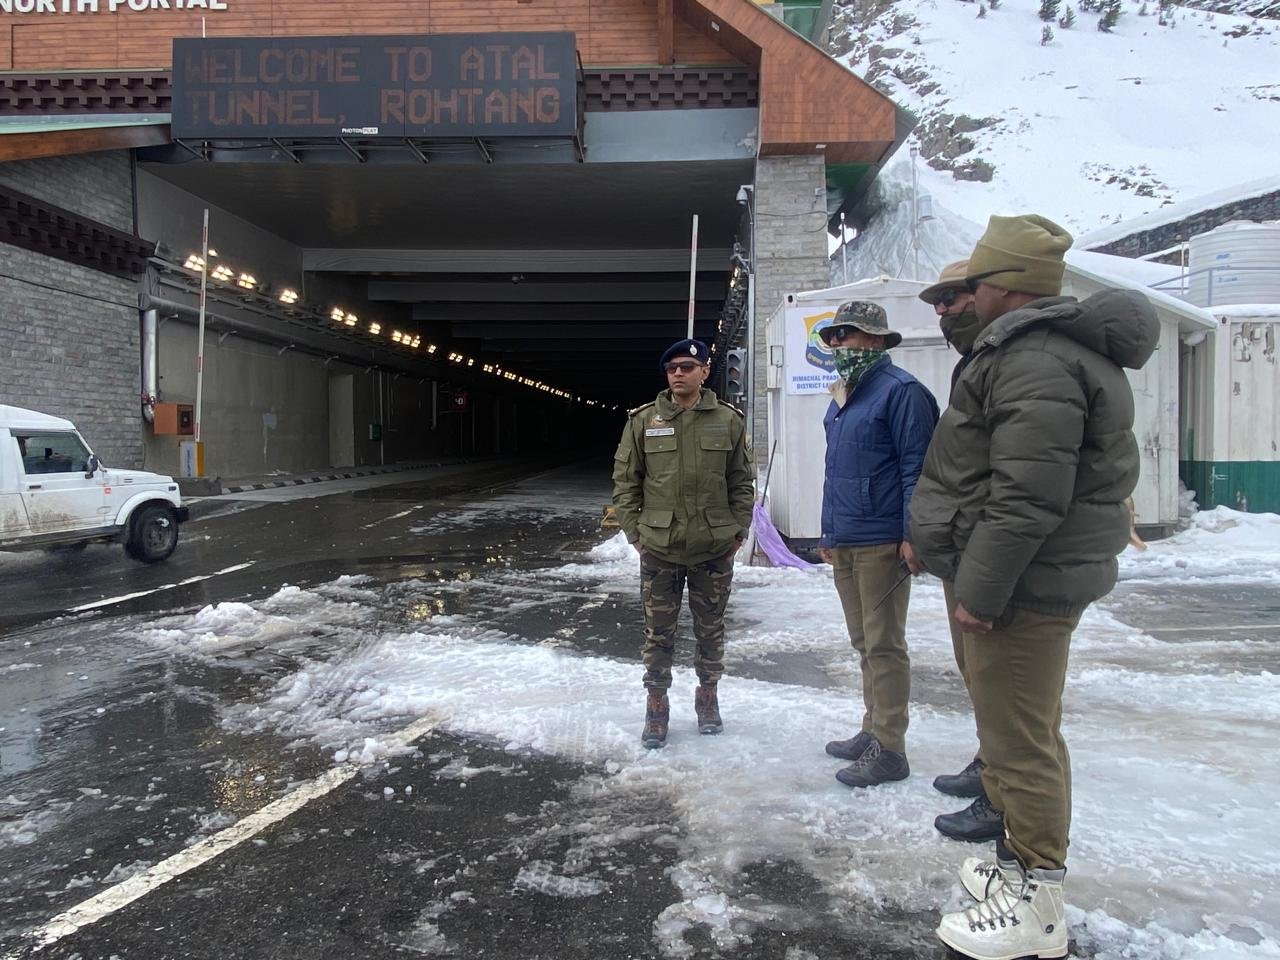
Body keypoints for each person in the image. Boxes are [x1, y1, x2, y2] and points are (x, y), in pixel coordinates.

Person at [908, 215, 1159, 960]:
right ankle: (1019, 865)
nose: (967, 295)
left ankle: (1039, 904)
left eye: (977, 282)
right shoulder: (1023, 353)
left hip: (1020, 587)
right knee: (1015, 730)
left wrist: (979, 592)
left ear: (1009, 286)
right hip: (1012, 577)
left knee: (1020, 742)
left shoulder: (1037, 362)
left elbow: (1027, 496)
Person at [817, 301, 938, 789]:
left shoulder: (902, 393)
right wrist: (828, 532)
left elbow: (919, 470)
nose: (838, 343)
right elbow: (834, 471)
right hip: (847, 537)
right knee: (863, 641)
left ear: (876, 340)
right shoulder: (844, 395)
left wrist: (914, 535)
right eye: (834, 336)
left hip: (883, 540)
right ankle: (871, 730)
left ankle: (890, 747)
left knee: (885, 644)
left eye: (846, 335)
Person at [612, 338, 755, 749]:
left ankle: (707, 696)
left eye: (688, 367)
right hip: (660, 547)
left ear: (705, 372)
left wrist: (739, 530)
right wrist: (635, 535)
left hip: (713, 547)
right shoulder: (643, 421)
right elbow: (626, 483)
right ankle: (656, 704)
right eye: (672, 367)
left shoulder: (728, 420)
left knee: (711, 630)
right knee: (658, 633)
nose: (679, 373)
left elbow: (740, 481)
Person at [916, 261, 1003, 844]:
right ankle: (991, 764)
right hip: (967, 550)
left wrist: (987, 577)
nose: (944, 310)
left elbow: (1021, 485)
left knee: (1008, 689)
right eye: (938, 302)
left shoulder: (1016, 365)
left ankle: (1006, 800)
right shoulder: (974, 365)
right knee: (979, 675)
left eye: (954, 297)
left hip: (994, 558)